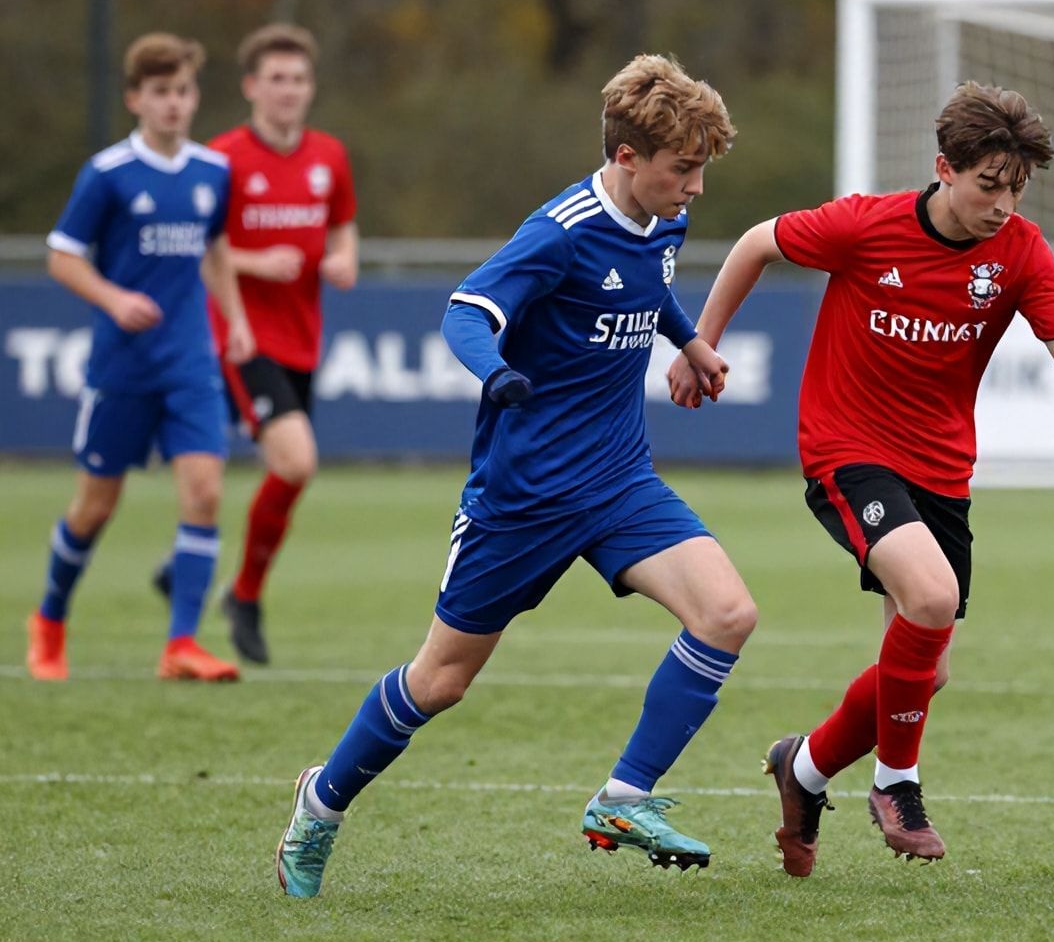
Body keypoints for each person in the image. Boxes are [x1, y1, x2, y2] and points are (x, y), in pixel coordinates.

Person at [668, 82, 1054, 876]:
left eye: (1016, 188)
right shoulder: (865, 225)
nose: (1003, 204)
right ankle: (896, 784)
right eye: (988, 186)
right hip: (848, 448)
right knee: (934, 599)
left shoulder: (1020, 251)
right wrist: (701, 342)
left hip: (941, 469)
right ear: (945, 168)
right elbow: (754, 243)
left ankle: (801, 770)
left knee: (926, 666)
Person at [275, 55, 751, 898]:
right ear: (628, 156)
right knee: (440, 681)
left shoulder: (663, 218)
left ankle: (623, 797)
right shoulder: (559, 231)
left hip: (618, 482)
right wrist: (495, 374)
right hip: (521, 499)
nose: (696, 188)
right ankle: (321, 803)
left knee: (726, 613)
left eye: (702, 169)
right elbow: (467, 310)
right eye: (684, 169)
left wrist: (688, 340)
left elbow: (653, 282)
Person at [26, 33, 255, 683]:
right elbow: (62, 255)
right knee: (95, 506)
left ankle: (181, 643)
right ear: (136, 99)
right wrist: (113, 297)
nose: (174, 104)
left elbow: (215, 250)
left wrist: (234, 320)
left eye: (182, 91)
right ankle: (48, 621)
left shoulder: (213, 172)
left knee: (205, 493)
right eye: (160, 93)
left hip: (191, 361)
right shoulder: (107, 175)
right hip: (123, 366)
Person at [156, 23, 359, 665]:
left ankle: (187, 568)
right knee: (297, 461)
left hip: (302, 339)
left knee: (279, 471)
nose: (287, 91)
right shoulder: (222, 160)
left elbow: (343, 229)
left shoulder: (329, 156)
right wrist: (250, 262)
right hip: (239, 335)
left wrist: (343, 260)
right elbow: (199, 249)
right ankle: (242, 595)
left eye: (298, 79)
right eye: (275, 79)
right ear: (250, 87)